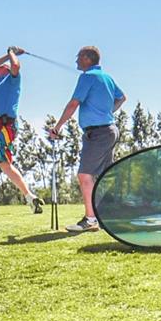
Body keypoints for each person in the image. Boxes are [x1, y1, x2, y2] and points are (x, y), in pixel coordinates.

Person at [46, 46, 126, 232]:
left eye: (79, 57)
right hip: (109, 130)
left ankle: (91, 219)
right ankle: (107, 216)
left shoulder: (87, 77)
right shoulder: (107, 77)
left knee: (85, 175)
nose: (76, 60)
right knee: (104, 175)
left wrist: (57, 127)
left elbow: (74, 103)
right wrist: (107, 112)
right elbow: (122, 98)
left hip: (98, 133)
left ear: (87, 58)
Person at [0, 48, 43, 216]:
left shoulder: (13, 80)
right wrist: (8, 54)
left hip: (4, 125)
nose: (1, 67)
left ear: (8, 71)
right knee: (4, 165)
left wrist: (12, 53)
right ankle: (30, 197)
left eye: (4, 66)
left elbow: (15, 65)